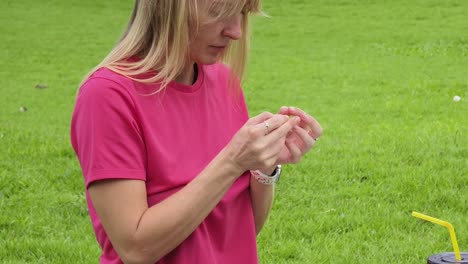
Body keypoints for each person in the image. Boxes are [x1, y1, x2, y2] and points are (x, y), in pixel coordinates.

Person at [70, 0, 322, 263]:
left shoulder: (224, 81)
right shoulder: (107, 96)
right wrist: (233, 160)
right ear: (169, 9)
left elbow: (243, 228)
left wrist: (264, 165)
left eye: (241, 13)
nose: (235, 31)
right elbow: (136, 249)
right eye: (219, 12)